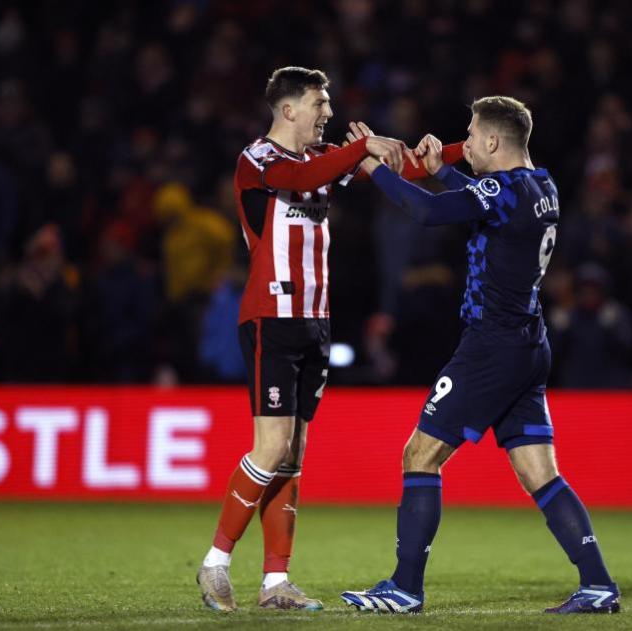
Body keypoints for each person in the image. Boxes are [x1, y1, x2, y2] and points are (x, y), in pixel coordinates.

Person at [196, 66, 463, 612]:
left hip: (315, 322)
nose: (328, 112)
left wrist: (462, 151)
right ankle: (215, 564)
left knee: (292, 456)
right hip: (271, 315)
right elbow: (300, 180)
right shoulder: (260, 161)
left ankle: (275, 585)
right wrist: (364, 145)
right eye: (319, 103)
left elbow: (405, 167)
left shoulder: (320, 165)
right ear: (288, 109)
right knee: (269, 448)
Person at [339, 96, 621, 615]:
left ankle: (404, 588)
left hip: (490, 346)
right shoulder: (544, 186)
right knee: (541, 472)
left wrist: (370, 164)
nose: (464, 142)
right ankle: (599, 584)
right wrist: (441, 170)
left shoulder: (505, 189)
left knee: (420, 455)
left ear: (492, 141)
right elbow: (486, 199)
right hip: (529, 343)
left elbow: (425, 212)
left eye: (470, 134)